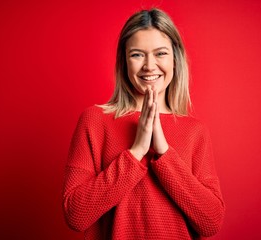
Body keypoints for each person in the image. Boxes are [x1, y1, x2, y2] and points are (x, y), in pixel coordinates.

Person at [62, 8, 225, 240]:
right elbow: (76, 215)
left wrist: (164, 153)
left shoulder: (195, 131)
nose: (149, 65)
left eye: (160, 53)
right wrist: (136, 151)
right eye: (137, 54)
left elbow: (211, 222)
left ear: (175, 59)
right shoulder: (95, 121)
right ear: (124, 61)